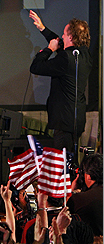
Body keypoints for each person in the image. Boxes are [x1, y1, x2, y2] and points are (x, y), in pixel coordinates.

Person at [28, 11, 92, 152]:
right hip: (76, 120)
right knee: (71, 159)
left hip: (63, 122)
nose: (62, 36)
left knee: (64, 163)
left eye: (64, 33)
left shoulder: (65, 59)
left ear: (71, 36)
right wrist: (42, 29)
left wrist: (49, 49)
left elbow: (36, 67)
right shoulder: (85, 55)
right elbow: (60, 42)